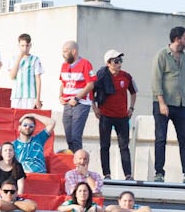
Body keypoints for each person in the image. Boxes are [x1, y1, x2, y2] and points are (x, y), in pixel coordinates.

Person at [150, 26, 185, 184]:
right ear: (177, 39)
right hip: (163, 104)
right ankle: (159, 172)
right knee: (161, 138)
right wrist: (162, 103)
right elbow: (156, 81)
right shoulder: (162, 55)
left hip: (180, 104)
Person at [92, 49, 137, 180]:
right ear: (108, 63)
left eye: (120, 61)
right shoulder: (100, 76)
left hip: (122, 116)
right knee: (105, 145)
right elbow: (91, 92)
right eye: (116, 61)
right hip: (105, 116)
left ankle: (128, 174)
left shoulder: (126, 76)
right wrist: (94, 108)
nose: (119, 64)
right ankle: (107, 174)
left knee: (124, 146)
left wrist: (131, 108)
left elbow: (133, 92)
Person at [55, 41, 95, 153]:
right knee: (69, 137)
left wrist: (77, 98)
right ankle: (72, 161)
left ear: (74, 51)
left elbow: (90, 84)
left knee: (76, 136)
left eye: (65, 51)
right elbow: (63, 83)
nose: (63, 54)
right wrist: (60, 96)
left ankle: (79, 164)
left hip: (81, 103)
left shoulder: (85, 64)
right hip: (67, 103)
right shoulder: (64, 65)